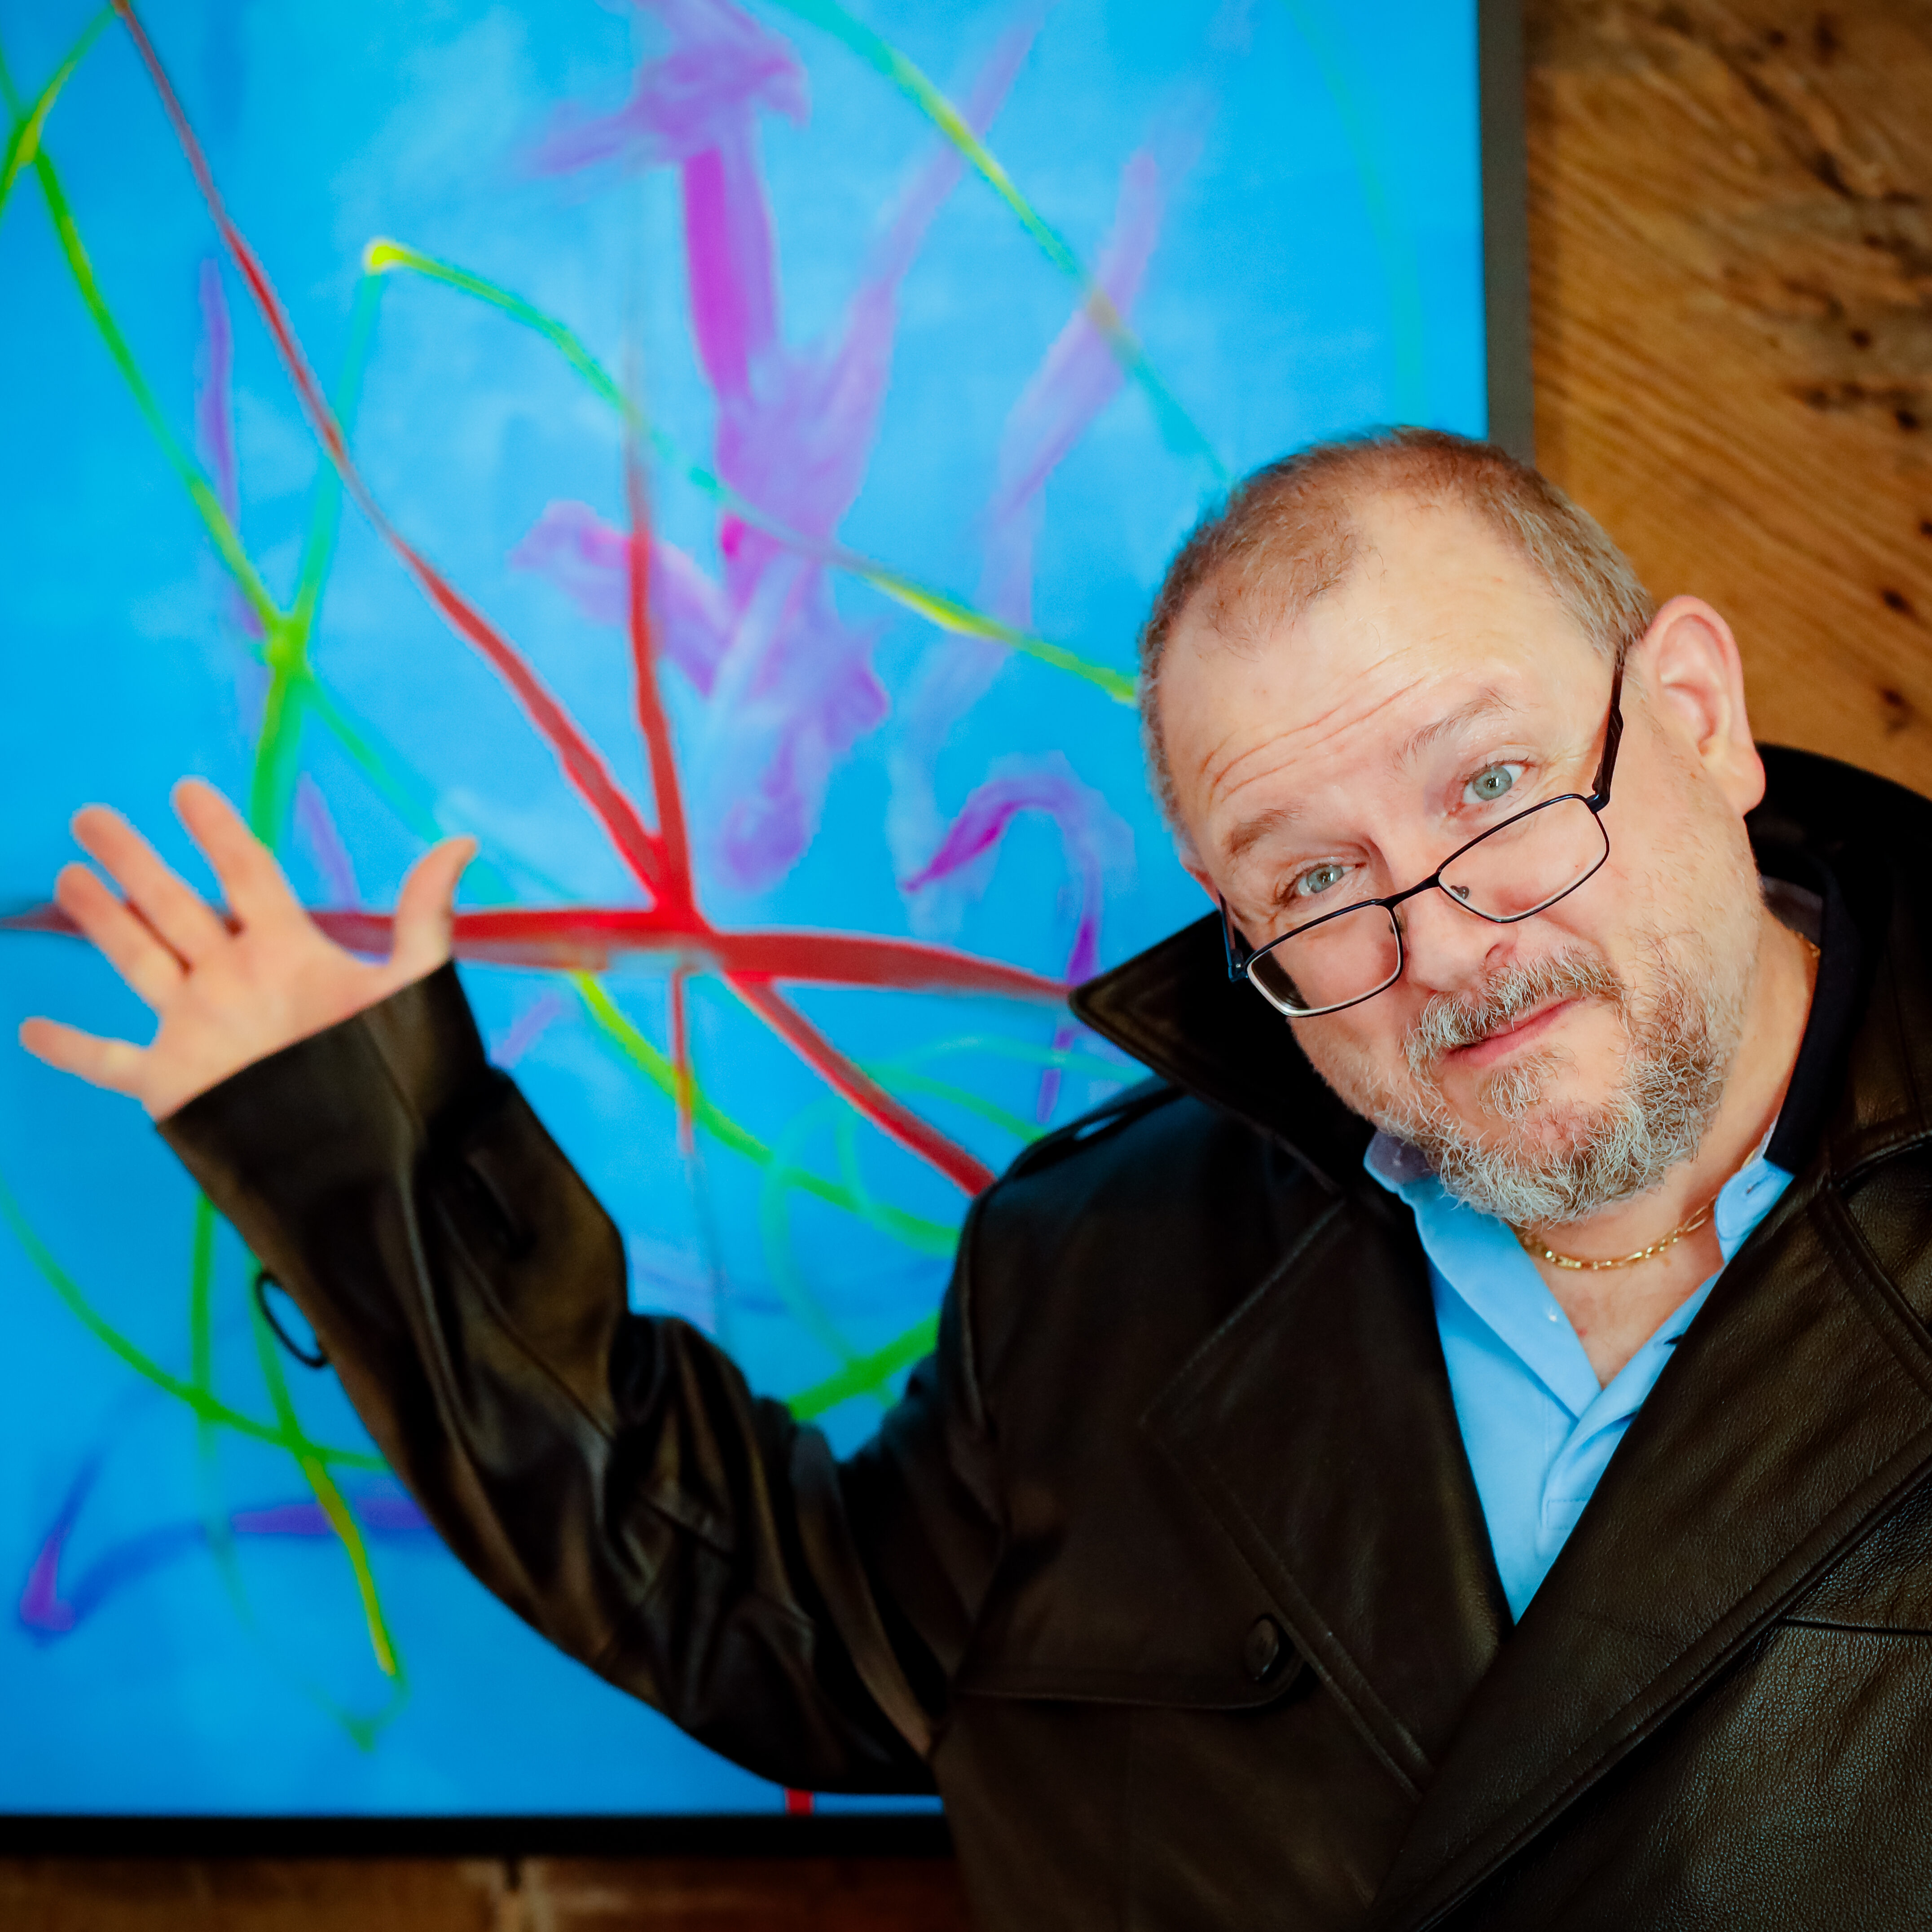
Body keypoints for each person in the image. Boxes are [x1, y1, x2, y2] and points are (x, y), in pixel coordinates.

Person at [22, 428, 1932, 1930]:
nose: (1439, 942)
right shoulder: (1104, 1264)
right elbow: (777, 1616)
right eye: (1311, 880)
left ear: (1690, 709)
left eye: (1492, 786)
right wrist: (360, 1139)